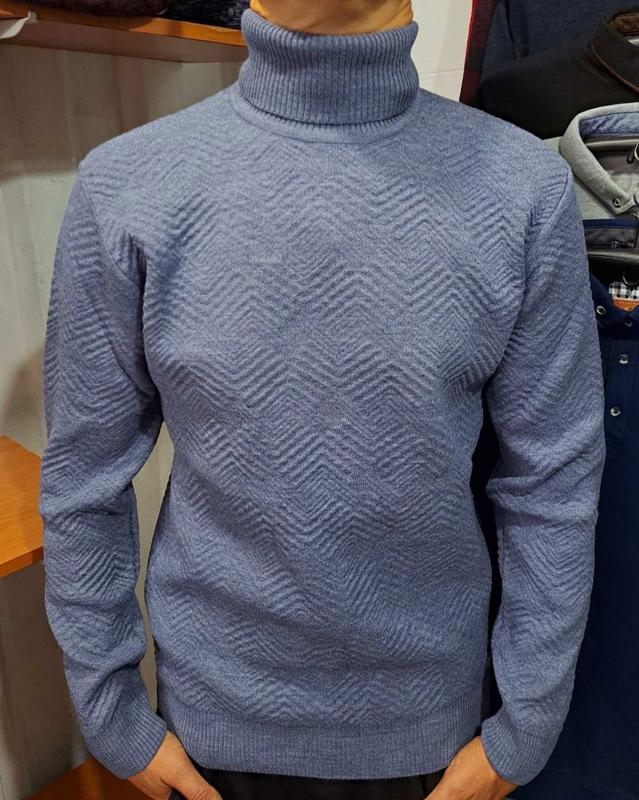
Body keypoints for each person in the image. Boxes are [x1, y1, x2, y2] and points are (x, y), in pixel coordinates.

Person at [38, 1, 606, 799]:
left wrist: (526, 727)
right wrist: (111, 715)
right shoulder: (127, 187)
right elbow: (83, 478)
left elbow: (553, 479)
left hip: (437, 743)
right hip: (208, 738)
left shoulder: (520, 188)